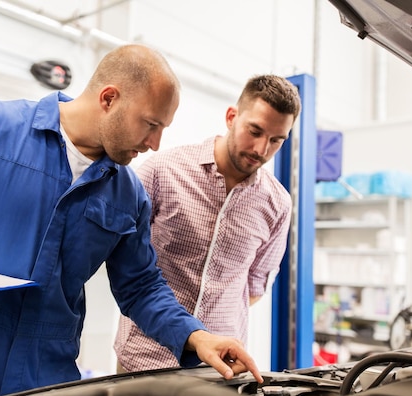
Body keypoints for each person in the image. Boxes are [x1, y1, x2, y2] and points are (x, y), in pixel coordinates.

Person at [0, 44, 262, 396]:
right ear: (109, 99)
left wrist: (196, 336)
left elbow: (140, 287)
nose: (155, 143)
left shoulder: (129, 194)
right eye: (151, 124)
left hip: (44, 380)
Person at [114, 74, 302, 372]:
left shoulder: (277, 204)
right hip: (145, 358)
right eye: (255, 131)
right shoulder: (162, 172)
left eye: (276, 140)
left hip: (219, 368)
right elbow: (123, 260)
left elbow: (253, 288)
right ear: (231, 117)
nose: (261, 149)